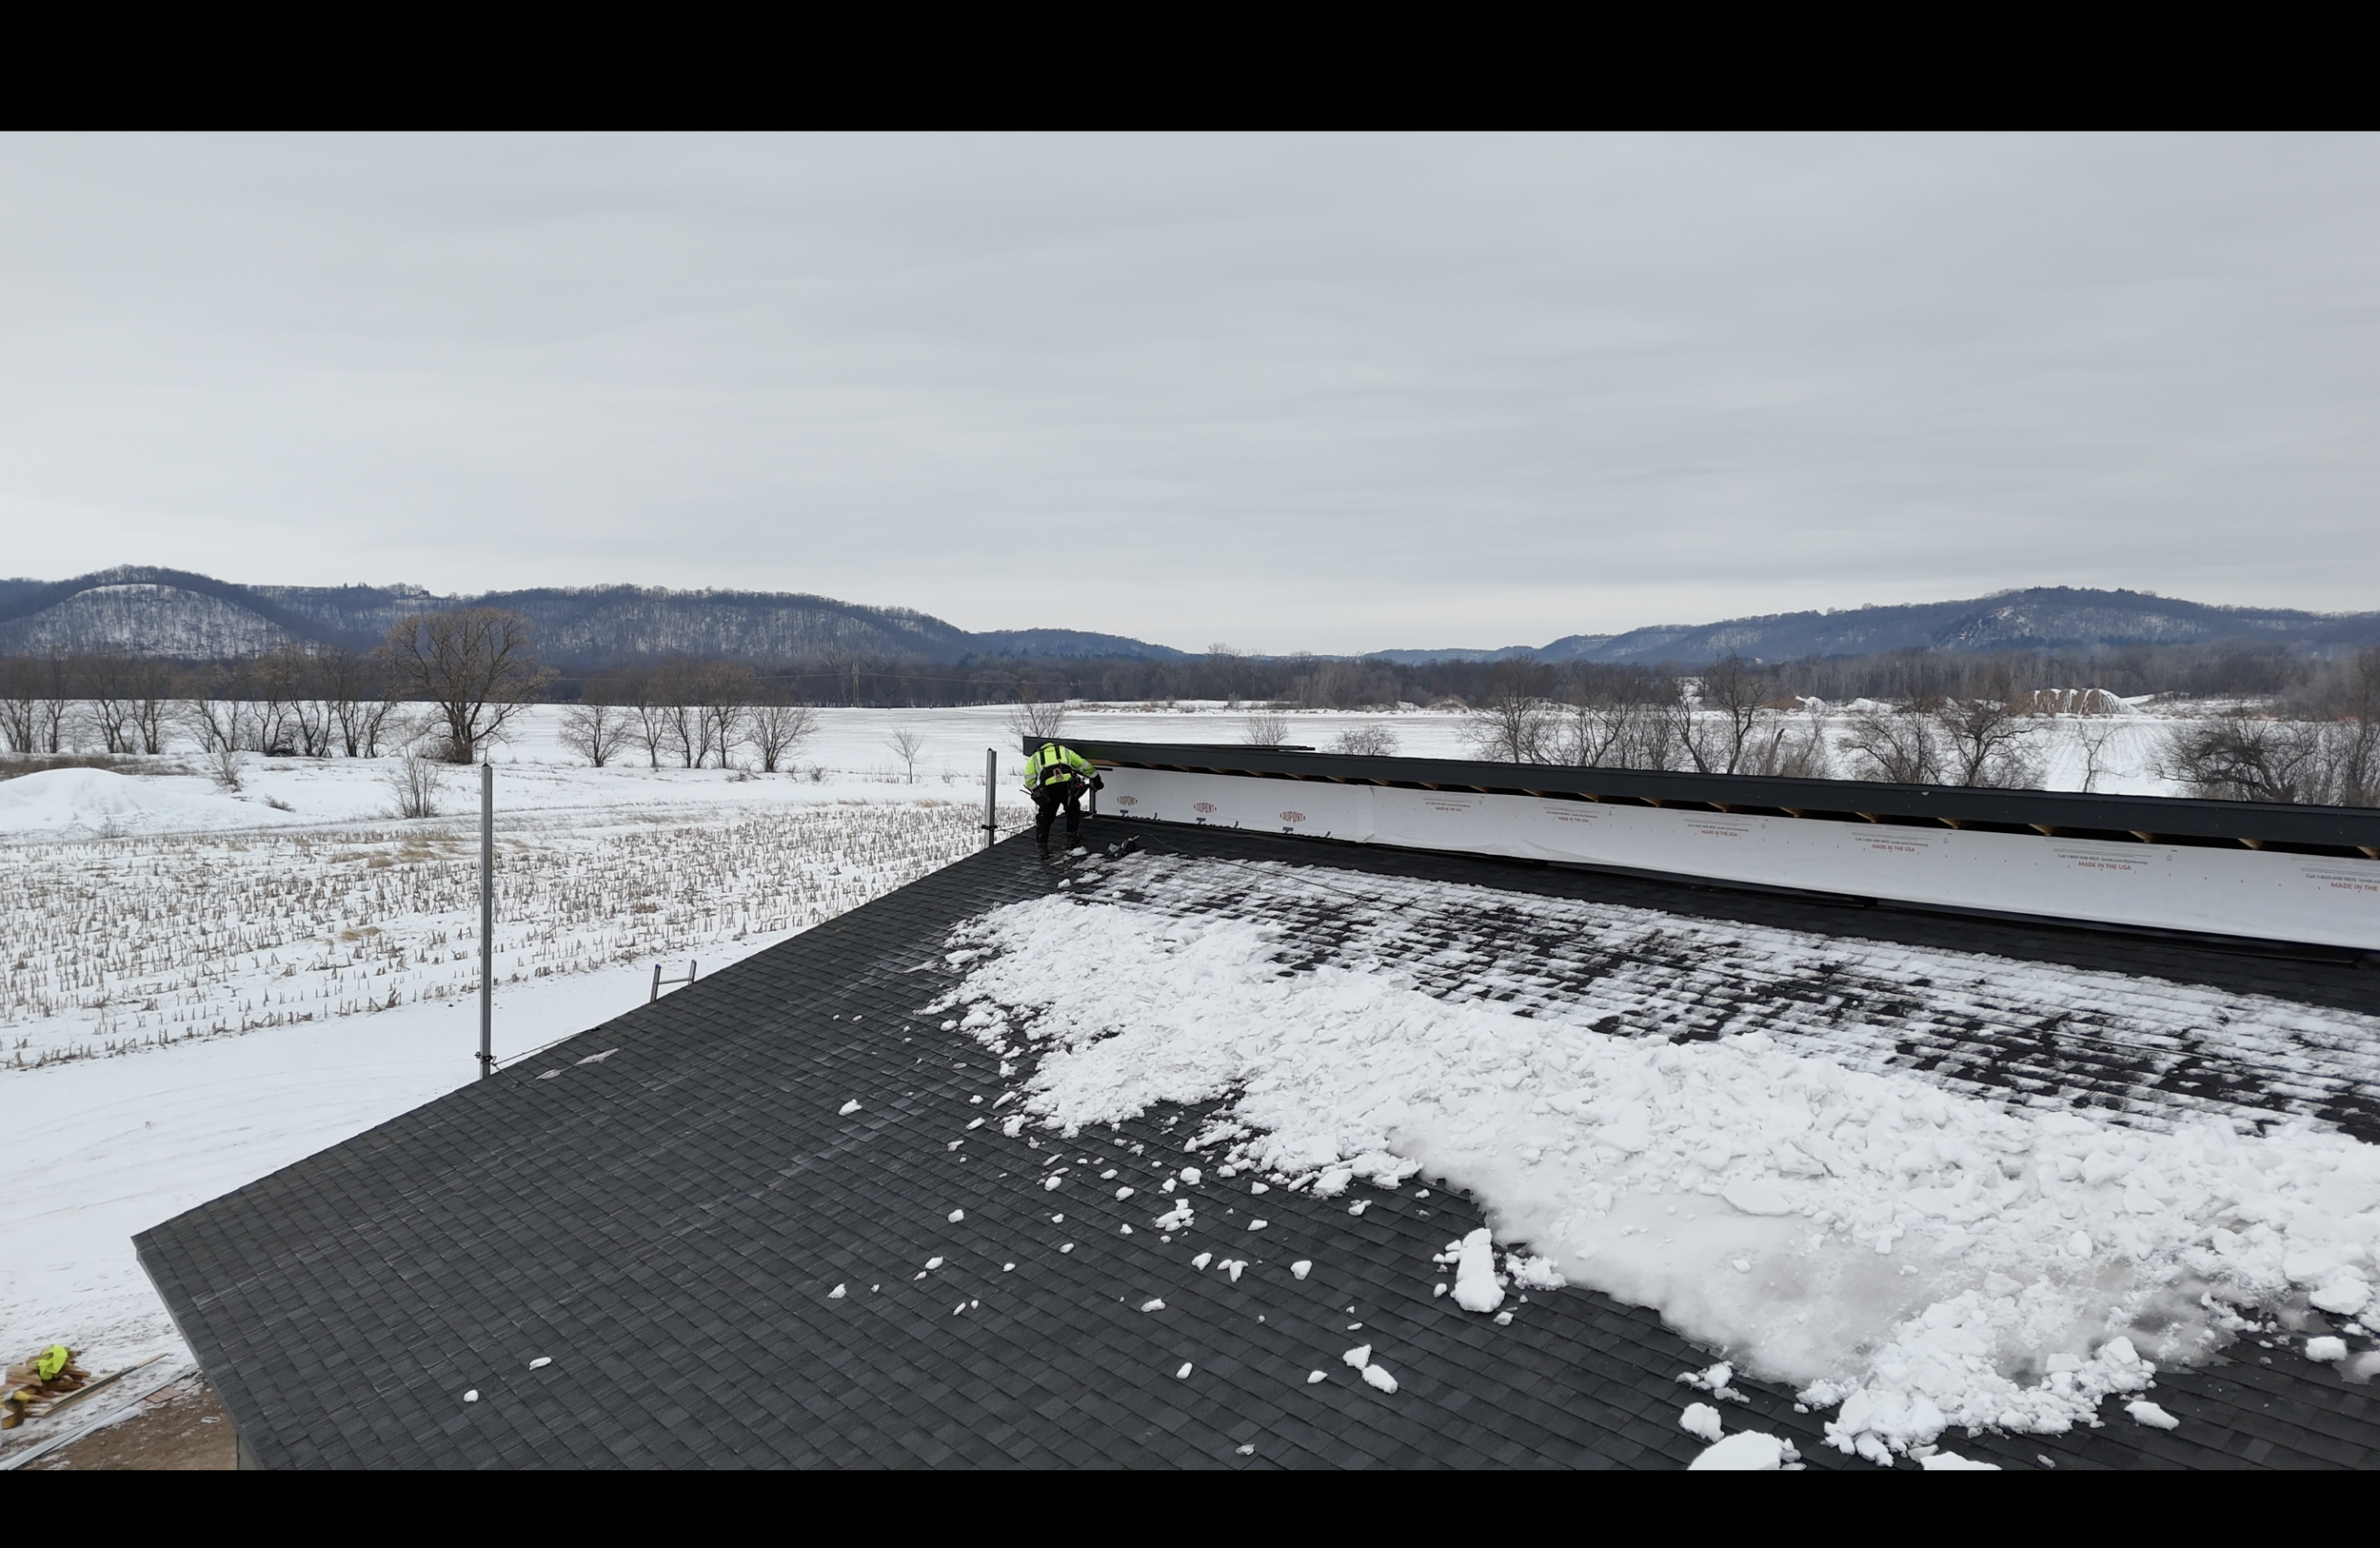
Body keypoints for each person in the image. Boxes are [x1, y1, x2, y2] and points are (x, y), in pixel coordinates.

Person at [1022, 742, 1102, 853]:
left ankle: (1042, 846)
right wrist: (1096, 779)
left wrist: (1037, 791)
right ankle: (1071, 837)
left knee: (1045, 818)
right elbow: (1084, 765)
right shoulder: (1064, 751)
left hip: (1049, 789)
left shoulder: (1035, 757)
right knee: (1073, 810)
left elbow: (1029, 780)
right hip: (1067, 786)